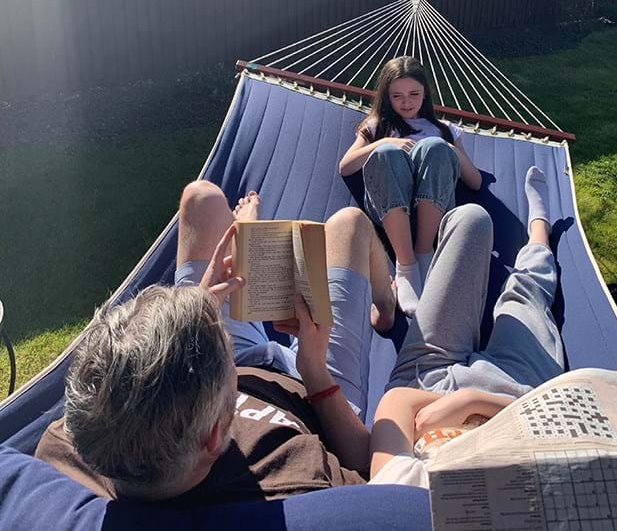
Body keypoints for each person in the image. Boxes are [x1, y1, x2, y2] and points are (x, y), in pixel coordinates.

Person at [36, 183, 397, 504]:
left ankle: (245, 242)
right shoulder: (300, 480)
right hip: (313, 389)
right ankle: (387, 305)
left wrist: (200, 311)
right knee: (349, 225)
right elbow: (367, 463)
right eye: (216, 336)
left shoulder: (73, 446)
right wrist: (315, 371)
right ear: (215, 437)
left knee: (201, 198)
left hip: (201, 372)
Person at [369, 166, 566, 487]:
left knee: (472, 220)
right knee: (527, 292)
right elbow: (554, 429)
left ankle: (420, 261)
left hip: (426, 381)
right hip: (519, 394)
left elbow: (395, 404)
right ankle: (539, 231)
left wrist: (459, 401)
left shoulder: (397, 494)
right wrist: (473, 401)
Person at [339, 56, 482, 316]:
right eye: (398, 96)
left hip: (435, 206)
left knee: (434, 147)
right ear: (387, 97)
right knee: (386, 155)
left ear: (425, 93)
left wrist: (448, 149)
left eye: (414, 94)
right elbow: (346, 166)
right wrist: (384, 143)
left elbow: (475, 180)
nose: (407, 102)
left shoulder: (444, 130)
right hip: (389, 207)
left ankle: (424, 252)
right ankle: (405, 266)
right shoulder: (377, 127)